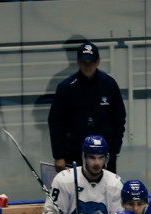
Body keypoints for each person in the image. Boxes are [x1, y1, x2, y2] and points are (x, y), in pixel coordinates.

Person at [47, 42, 126, 173]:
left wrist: (114, 150)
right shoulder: (66, 87)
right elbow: (55, 122)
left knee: (106, 189)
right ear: (78, 62)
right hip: (74, 152)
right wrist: (58, 155)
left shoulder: (109, 84)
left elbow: (119, 118)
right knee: (75, 190)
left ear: (98, 61)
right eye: (84, 62)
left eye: (91, 62)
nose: (88, 65)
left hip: (104, 154)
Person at [41, 135, 124, 214]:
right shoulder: (64, 180)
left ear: (106, 158)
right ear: (84, 157)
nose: (97, 163)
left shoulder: (115, 184)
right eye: (92, 158)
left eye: (101, 158)